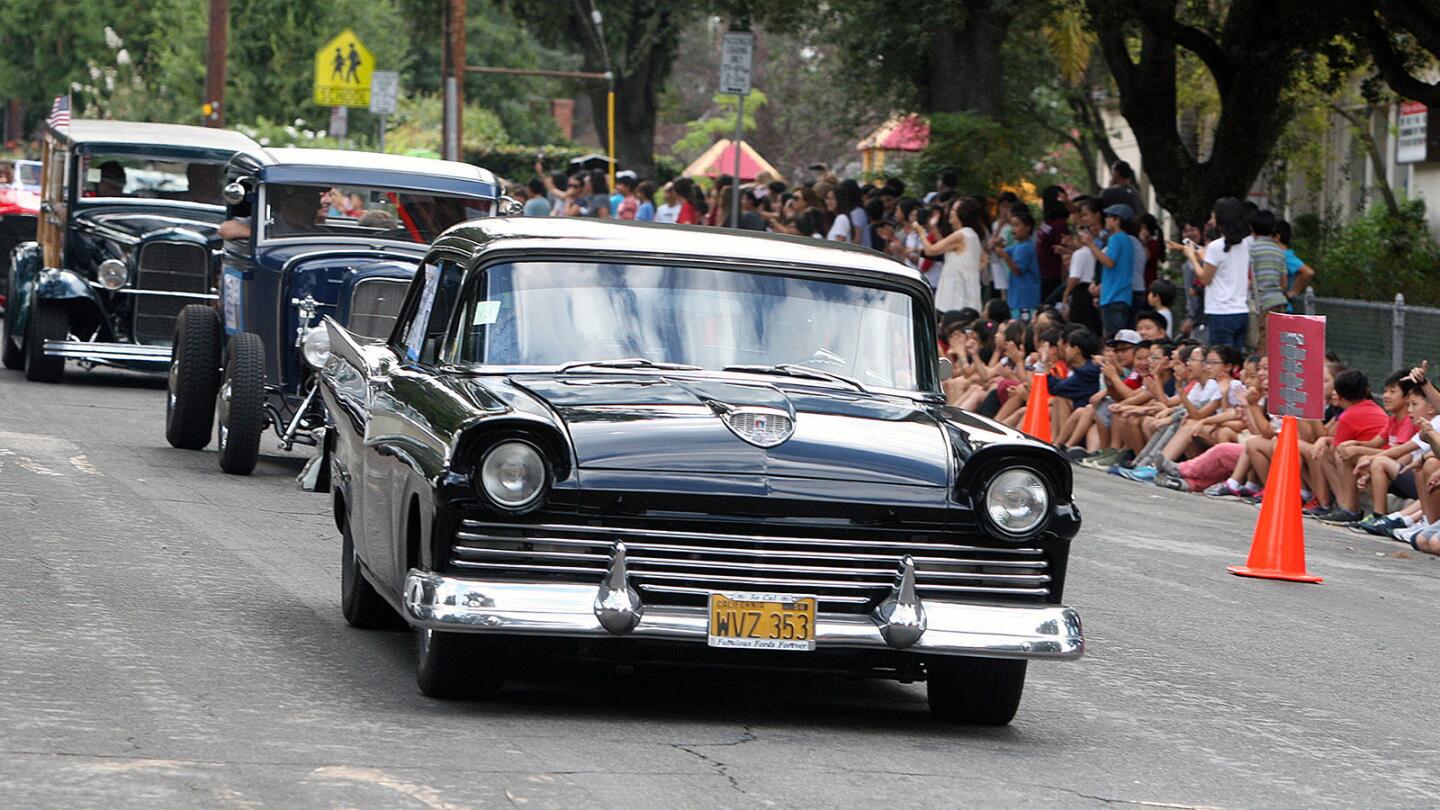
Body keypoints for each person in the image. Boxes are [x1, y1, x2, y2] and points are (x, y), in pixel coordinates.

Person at [1181, 197, 1250, 351]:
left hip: (1221, 312)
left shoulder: (1215, 247)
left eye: (1213, 217)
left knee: (1222, 359)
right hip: (1241, 311)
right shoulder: (1244, 244)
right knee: (1236, 359)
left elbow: (1205, 278)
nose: (1211, 221)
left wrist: (1192, 257)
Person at [1080, 203, 1135, 337]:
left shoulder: (1115, 239)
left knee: (1112, 338)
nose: (1106, 219)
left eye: (1109, 217)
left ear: (1117, 220)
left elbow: (1109, 262)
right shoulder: (1127, 239)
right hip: (1122, 296)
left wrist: (1091, 244)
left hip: (1113, 296)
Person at [925, 197, 986, 313]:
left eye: (953, 210)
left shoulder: (960, 235)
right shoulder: (971, 234)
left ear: (961, 214)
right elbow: (984, 260)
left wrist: (920, 231)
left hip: (953, 291)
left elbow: (930, 250)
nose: (950, 213)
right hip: (967, 288)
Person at [1248, 210, 1289, 348]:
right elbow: (1284, 282)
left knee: (1262, 343)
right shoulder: (1279, 251)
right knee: (1278, 343)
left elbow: (1248, 278)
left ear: (1252, 227)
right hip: (1279, 301)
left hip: (1262, 302)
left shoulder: (1251, 249)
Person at [996, 204, 1041, 320]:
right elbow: (1000, 252)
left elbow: (1017, 270)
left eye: (1017, 225)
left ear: (1027, 228)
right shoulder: (1018, 246)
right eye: (1012, 225)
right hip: (1018, 297)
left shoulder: (1025, 248)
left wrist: (1006, 258)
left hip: (1024, 299)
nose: (1013, 229)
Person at [1036, 186, 1069, 302]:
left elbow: (1063, 252)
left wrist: (1063, 278)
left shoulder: (1059, 224)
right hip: (1043, 273)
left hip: (1053, 275)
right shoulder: (1047, 221)